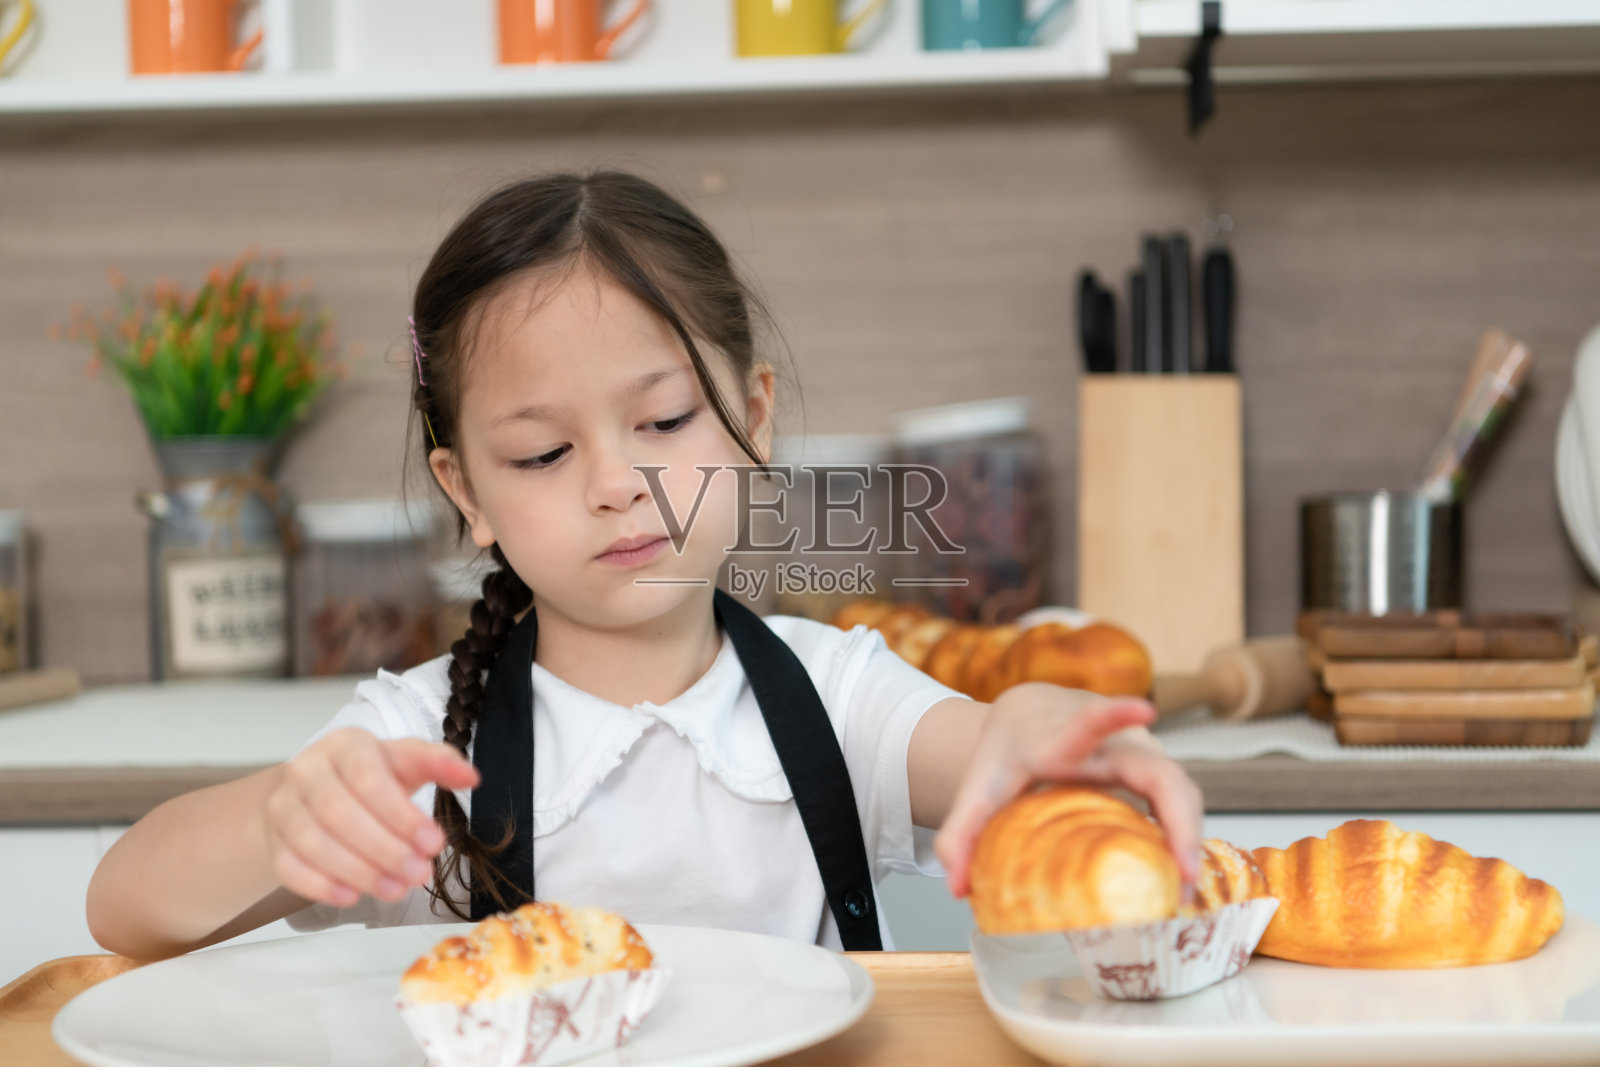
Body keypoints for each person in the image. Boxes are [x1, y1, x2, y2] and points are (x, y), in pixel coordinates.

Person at [86, 171, 1201, 960]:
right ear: (467, 492)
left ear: (752, 418)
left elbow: (999, 751)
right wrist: (279, 818)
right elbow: (125, 908)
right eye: (543, 453)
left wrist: (1039, 729)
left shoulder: (839, 697)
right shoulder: (419, 750)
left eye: (664, 421)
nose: (617, 482)